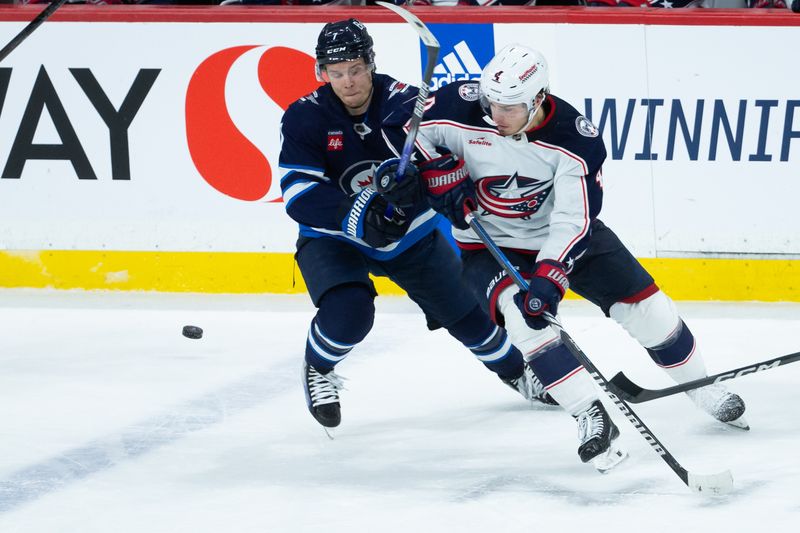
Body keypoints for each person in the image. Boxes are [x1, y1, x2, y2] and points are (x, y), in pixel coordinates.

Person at [377, 43, 748, 465]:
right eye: (491, 103)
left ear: (538, 99)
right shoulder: (459, 106)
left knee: (649, 311)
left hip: (561, 235)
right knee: (524, 320)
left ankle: (699, 386)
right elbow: (398, 131)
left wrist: (551, 276)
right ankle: (589, 414)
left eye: (510, 107)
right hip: (488, 244)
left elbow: (573, 219)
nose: (496, 116)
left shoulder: (575, 138)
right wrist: (433, 170)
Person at [279, 21, 556, 438]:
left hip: (410, 238)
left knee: (471, 318)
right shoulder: (305, 116)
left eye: (355, 68)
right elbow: (298, 195)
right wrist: (361, 213)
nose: (347, 81)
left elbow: (447, 158)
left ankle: (518, 373)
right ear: (322, 72)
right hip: (334, 239)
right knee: (349, 315)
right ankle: (318, 367)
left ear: (370, 63)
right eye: (335, 73)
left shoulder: (406, 103)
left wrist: (438, 180)